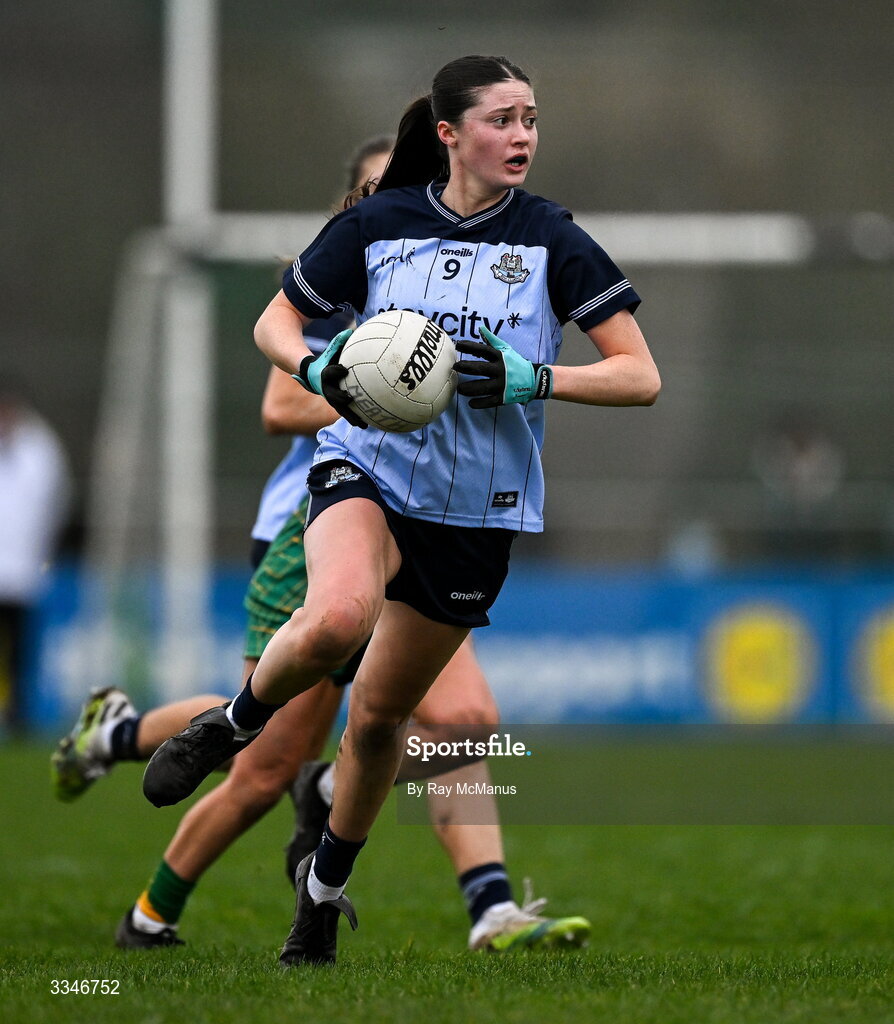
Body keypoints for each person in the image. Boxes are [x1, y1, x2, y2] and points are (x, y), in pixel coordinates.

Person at [143, 54, 660, 966]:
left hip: (474, 516)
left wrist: (534, 376)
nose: (524, 137)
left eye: (532, 119)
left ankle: (323, 888)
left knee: (380, 723)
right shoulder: (380, 223)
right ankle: (231, 721)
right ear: (451, 133)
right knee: (338, 617)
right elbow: (274, 322)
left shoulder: (553, 239)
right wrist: (317, 370)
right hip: (365, 471)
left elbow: (640, 375)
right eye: (502, 120)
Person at [52, 136, 589, 954]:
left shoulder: (461, 275)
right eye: (378, 188)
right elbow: (279, 405)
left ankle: (487, 907)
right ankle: (130, 795)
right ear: (354, 202)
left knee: (466, 720)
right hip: (320, 527)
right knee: (266, 764)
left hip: (423, 530)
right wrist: (376, 387)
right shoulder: (347, 280)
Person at [0, 373, 71, 732]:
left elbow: (54, 503)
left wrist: (45, 551)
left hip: (22, 567)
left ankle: (18, 716)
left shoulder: (39, 447)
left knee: (19, 650)